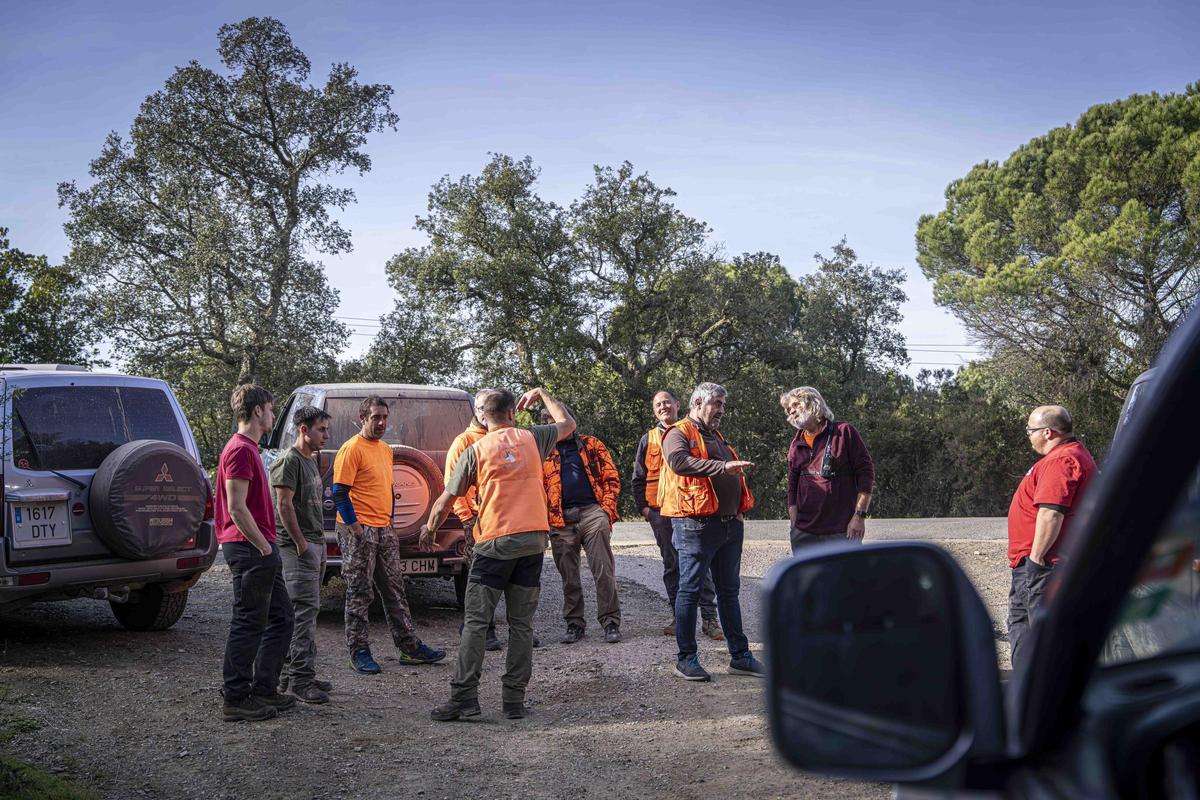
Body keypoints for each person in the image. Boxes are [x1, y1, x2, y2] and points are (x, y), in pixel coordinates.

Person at [422, 388, 575, 721]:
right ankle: (514, 701)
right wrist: (543, 394)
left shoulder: (475, 450)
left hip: (494, 543)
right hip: (533, 541)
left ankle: (464, 698)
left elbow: (446, 499)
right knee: (521, 625)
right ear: (512, 413)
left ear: (483, 416)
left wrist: (430, 529)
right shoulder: (533, 438)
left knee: (476, 623)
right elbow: (567, 422)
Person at [332, 395, 445, 674]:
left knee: (395, 589)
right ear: (363, 419)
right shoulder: (351, 449)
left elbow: (386, 488)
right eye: (375, 418)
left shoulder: (385, 449)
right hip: (358, 529)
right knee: (360, 591)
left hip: (384, 529)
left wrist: (389, 523)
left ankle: (409, 648)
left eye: (385, 417)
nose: (381, 423)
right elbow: (339, 493)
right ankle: (359, 650)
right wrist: (356, 528)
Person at [660, 382, 764, 682]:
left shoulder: (715, 435)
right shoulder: (677, 432)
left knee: (729, 592)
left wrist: (738, 511)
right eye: (716, 403)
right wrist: (724, 468)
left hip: (730, 525)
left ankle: (740, 657)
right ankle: (686, 659)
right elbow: (679, 462)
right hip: (696, 525)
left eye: (723, 405)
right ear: (696, 402)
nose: (721, 410)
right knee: (690, 591)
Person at [217, 384, 295, 722]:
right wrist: (263, 546)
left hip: (260, 548)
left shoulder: (250, 449)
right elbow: (236, 508)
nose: (274, 415)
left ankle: (265, 688)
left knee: (281, 617)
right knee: (249, 621)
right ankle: (235, 697)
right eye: (271, 408)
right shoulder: (240, 450)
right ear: (258, 410)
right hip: (249, 548)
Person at [1007, 405, 1097, 672]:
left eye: (1030, 430)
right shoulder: (1067, 456)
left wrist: (1036, 559)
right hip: (1040, 564)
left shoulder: (1061, 460)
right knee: (1024, 629)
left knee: (1041, 640)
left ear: (1047, 432)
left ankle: (1039, 700)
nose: (1028, 435)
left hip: (1044, 566)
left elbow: (1051, 514)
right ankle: (1025, 694)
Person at [631, 390, 723, 641]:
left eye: (667, 402)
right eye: (658, 404)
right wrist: (645, 510)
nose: (663, 407)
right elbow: (638, 478)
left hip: (691, 508)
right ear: (654, 410)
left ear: (677, 405)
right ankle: (678, 616)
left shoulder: (693, 431)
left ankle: (709, 618)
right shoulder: (647, 439)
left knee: (698, 563)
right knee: (672, 564)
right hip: (660, 512)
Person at [539, 404, 623, 644]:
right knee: (569, 575)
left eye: (556, 418)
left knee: (603, 570)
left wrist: (605, 511)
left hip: (592, 513)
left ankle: (610, 622)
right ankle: (574, 624)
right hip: (560, 519)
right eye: (547, 419)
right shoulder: (541, 451)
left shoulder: (591, 444)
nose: (552, 423)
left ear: (571, 420)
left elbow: (612, 478)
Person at [270, 404, 334, 704]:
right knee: (301, 614)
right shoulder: (289, 460)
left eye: (326, 429)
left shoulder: (310, 460)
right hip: (299, 549)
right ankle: (299, 680)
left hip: (314, 544)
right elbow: (283, 505)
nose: (326, 435)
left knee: (308, 612)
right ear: (304, 430)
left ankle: (293, 674)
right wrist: (301, 544)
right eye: (321, 429)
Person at [780, 387, 875, 552]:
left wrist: (859, 517)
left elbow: (865, 474)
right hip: (804, 533)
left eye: (795, 404)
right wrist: (795, 523)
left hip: (841, 531)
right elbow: (792, 485)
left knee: (844, 578)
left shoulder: (844, 432)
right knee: (807, 578)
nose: (792, 411)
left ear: (812, 402)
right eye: (788, 410)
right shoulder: (796, 444)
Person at [444, 389, 501, 651]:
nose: (482, 412)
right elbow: (452, 486)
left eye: (486, 408)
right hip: (475, 518)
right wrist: (467, 519)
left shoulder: (502, 436)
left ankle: (516, 627)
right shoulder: (464, 441)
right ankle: (482, 629)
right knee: (479, 577)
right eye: (479, 408)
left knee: (507, 574)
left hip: (501, 516)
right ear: (474, 410)